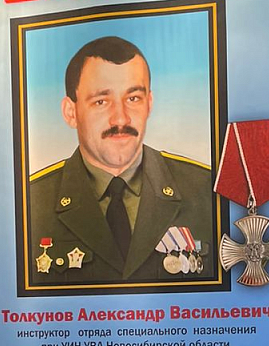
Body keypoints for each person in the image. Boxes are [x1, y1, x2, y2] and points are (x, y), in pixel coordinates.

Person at [25, 35, 216, 286]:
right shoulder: (30, 202)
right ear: (71, 113)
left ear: (149, 104)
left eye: (133, 98)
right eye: (101, 101)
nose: (120, 119)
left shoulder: (205, 190)